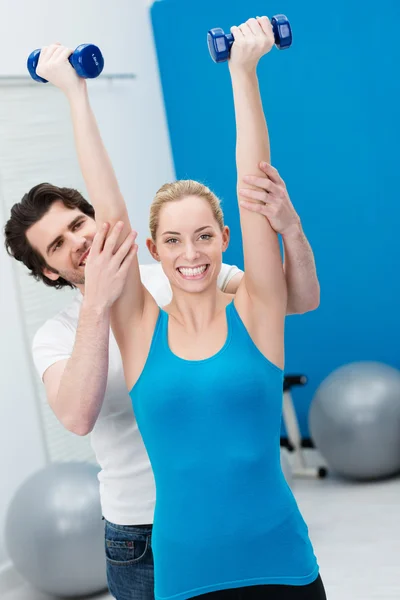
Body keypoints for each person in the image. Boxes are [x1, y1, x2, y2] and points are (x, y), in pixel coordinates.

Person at [3, 21, 322, 600]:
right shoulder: (134, 323)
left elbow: (253, 188)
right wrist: (74, 93)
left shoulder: (255, 306)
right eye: (172, 240)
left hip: (282, 562)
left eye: (204, 236)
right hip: (177, 568)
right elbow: (113, 212)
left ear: (225, 238)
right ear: (150, 250)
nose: (191, 253)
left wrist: (243, 74)